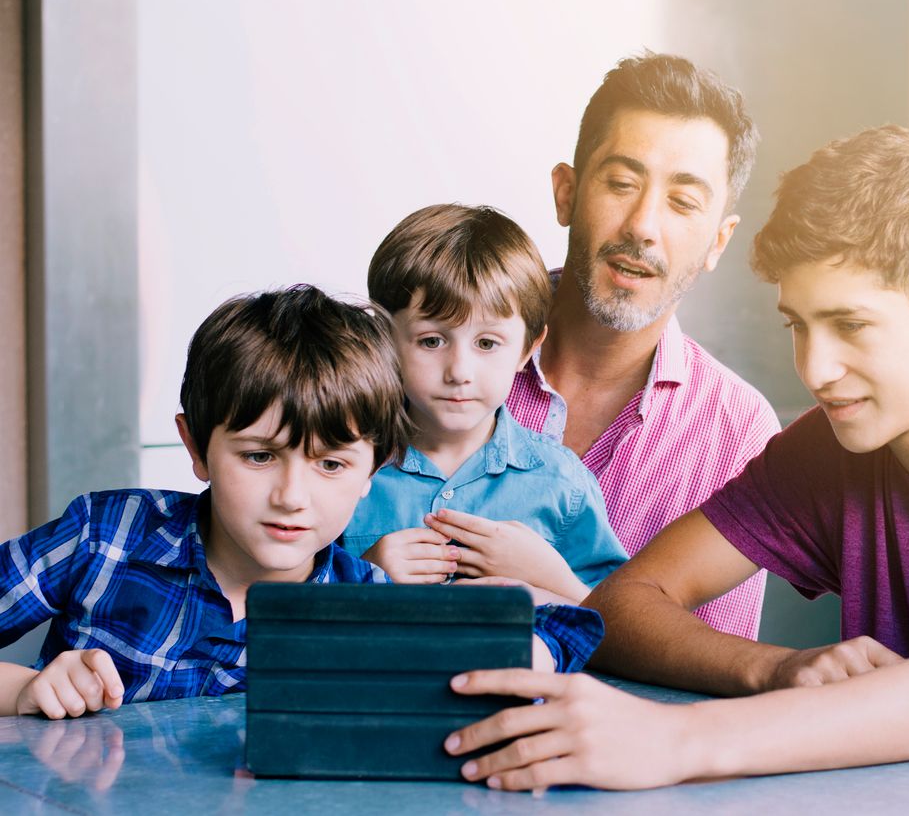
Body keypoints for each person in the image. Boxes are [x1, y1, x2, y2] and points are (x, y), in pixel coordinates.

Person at [442, 126, 909, 788]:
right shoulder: (832, 447)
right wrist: (773, 668)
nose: (815, 367)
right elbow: (626, 599)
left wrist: (675, 739)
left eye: (851, 325)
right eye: (799, 326)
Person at [0, 285, 602, 718]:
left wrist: (523, 637)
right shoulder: (106, 534)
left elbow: (570, 630)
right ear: (196, 448)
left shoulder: (364, 603)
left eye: (332, 465)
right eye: (259, 456)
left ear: (375, 469)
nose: (292, 497)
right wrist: (25, 691)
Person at [506, 52, 781, 637]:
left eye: (683, 201)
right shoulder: (440, 354)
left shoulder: (738, 433)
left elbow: (704, 678)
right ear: (566, 193)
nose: (643, 225)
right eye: (622, 183)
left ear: (718, 241)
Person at [342, 204, 627, 603]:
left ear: (528, 350)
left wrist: (552, 580)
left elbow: (612, 627)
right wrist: (362, 579)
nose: (459, 371)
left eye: (487, 343)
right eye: (431, 341)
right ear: (386, 339)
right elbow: (284, 609)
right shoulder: (343, 467)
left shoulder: (561, 483)